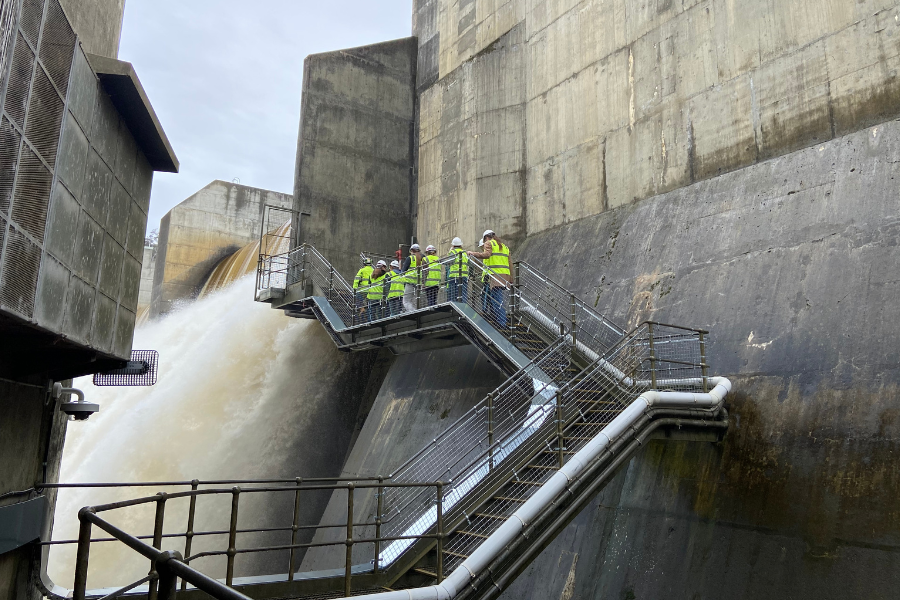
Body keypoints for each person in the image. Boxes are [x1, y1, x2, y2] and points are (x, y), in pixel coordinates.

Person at [468, 229, 511, 328]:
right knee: (496, 300)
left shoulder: (489, 243)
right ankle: (500, 321)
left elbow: (487, 255)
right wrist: (511, 278)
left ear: (486, 238)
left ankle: (501, 323)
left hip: (494, 277)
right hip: (503, 276)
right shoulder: (504, 246)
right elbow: (510, 264)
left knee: (497, 301)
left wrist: (473, 254)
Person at [446, 237, 469, 303]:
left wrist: (439, 262)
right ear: (461, 245)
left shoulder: (453, 252)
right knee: (463, 294)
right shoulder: (464, 253)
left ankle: (454, 309)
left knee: (453, 295)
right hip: (464, 276)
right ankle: (464, 307)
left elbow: (449, 262)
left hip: (454, 277)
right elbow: (470, 264)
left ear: (453, 245)